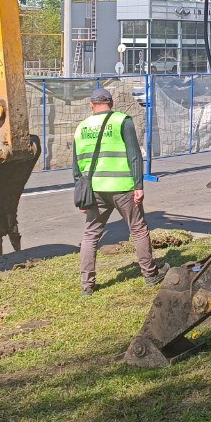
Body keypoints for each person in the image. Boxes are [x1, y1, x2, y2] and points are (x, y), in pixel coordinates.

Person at [74, 86, 164, 294]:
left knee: (90, 236)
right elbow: (134, 155)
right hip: (123, 187)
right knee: (138, 230)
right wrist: (138, 186)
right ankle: (150, 274)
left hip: (95, 189)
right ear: (111, 103)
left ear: (91, 105)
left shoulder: (81, 128)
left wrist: (81, 198)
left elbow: (76, 167)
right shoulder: (122, 121)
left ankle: (87, 286)